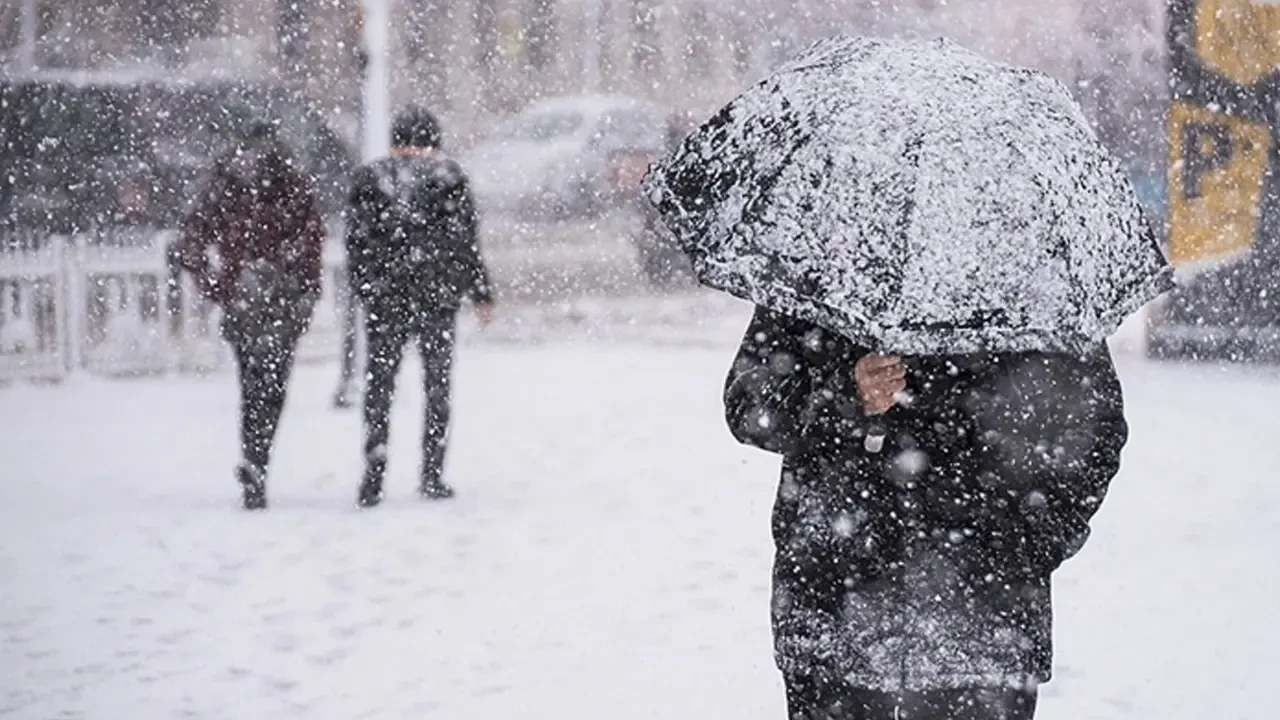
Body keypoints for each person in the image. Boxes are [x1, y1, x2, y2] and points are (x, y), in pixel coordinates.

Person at [724, 308, 1128, 719]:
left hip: (982, 631)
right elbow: (750, 406)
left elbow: (1095, 428)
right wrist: (844, 395)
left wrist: (1026, 544)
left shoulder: (1031, 277)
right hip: (835, 615)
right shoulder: (822, 262)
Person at [345, 107, 495, 508]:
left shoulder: (370, 179)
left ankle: (374, 462)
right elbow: (465, 243)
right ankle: (432, 471)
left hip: (386, 299)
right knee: (437, 386)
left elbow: (357, 243)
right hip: (436, 298)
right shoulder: (448, 178)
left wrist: (368, 289)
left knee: (380, 384)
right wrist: (480, 291)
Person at [176, 121, 324, 510]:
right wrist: (308, 290)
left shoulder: (226, 184)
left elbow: (190, 242)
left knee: (252, 383)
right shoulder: (293, 184)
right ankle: (259, 457)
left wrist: (217, 285)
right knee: (273, 386)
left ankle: (253, 458)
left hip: (243, 296)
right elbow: (312, 242)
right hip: (284, 296)